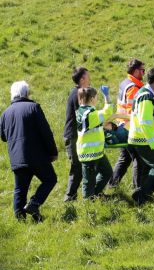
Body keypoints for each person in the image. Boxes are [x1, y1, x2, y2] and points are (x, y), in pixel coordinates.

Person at [0, 81, 58, 222]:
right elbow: (46, 132)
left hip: (17, 158)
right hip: (37, 156)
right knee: (50, 179)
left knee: (20, 189)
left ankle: (20, 220)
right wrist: (53, 152)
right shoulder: (33, 107)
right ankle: (34, 203)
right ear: (26, 93)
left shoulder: (5, 113)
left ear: (12, 95)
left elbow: (3, 137)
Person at [127, 67, 154, 204]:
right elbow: (145, 123)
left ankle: (142, 196)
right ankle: (142, 194)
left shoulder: (145, 94)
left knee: (147, 169)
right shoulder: (146, 96)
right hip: (144, 141)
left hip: (141, 140)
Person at [109, 58, 145, 189]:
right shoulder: (133, 88)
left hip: (121, 126)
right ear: (135, 71)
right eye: (142, 70)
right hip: (129, 128)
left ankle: (112, 185)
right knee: (139, 159)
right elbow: (133, 112)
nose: (144, 73)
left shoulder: (125, 82)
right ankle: (138, 190)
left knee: (125, 158)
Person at [75, 87, 115, 199]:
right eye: (97, 97)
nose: (97, 99)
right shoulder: (89, 115)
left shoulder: (83, 112)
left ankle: (95, 194)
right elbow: (108, 112)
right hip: (90, 155)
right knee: (88, 182)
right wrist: (107, 96)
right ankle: (88, 204)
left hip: (97, 152)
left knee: (107, 172)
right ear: (92, 98)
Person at [64, 66, 90, 201]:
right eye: (88, 76)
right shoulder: (78, 94)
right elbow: (83, 116)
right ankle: (69, 197)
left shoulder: (77, 92)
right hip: (73, 136)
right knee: (77, 168)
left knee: (81, 166)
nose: (90, 79)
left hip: (75, 135)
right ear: (82, 79)